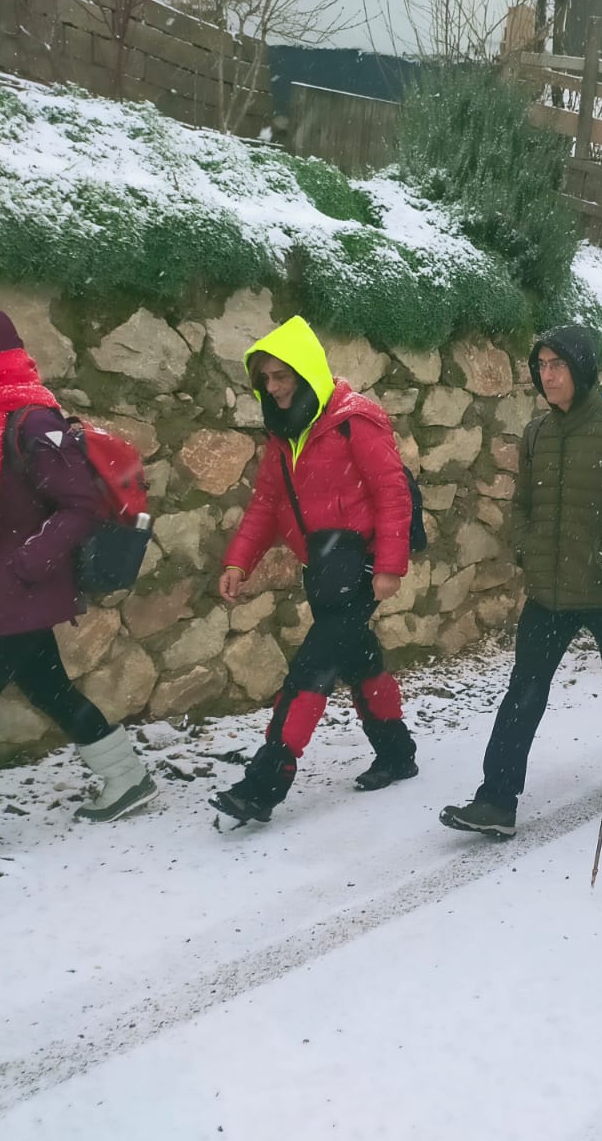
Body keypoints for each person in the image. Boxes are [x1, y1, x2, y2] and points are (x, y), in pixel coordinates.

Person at [440, 325, 602, 837]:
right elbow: (521, 506)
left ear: (581, 369)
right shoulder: (537, 433)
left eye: (557, 365)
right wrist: (525, 546)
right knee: (524, 690)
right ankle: (496, 799)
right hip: (549, 590)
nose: (547, 375)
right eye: (540, 366)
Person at [0, 304, 157, 865]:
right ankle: (128, 778)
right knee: (47, 688)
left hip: (20, 588)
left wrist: (24, 563)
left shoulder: (31, 422)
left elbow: (80, 505)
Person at [213, 317, 416, 824]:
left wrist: (388, 567)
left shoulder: (355, 420)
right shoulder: (282, 434)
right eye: (266, 379)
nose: (274, 388)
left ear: (305, 373)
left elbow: (391, 492)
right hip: (323, 567)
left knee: (312, 667)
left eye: (282, 376)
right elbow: (265, 504)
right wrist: (239, 561)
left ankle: (263, 785)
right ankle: (396, 753)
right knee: (358, 656)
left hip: (362, 565)